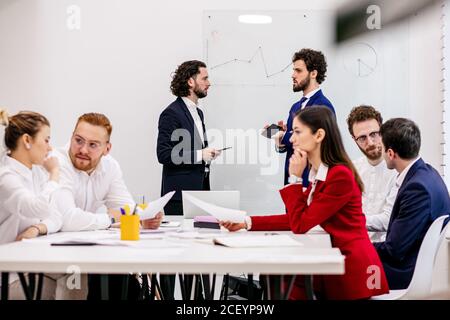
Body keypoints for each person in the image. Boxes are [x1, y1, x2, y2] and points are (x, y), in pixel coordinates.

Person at [222, 106, 389, 300]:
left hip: (352, 271)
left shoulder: (339, 176)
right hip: (335, 261)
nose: (291, 138)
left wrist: (294, 178)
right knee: (274, 276)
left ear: (318, 135)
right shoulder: (323, 172)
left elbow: (300, 224)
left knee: (284, 282)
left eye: (297, 132)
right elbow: (298, 218)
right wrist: (247, 222)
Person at [49, 113, 162, 299]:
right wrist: (110, 218)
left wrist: (145, 217)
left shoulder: (110, 167)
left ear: (107, 148)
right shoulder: (57, 162)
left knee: (128, 283)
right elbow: (68, 220)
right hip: (53, 252)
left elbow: (127, 208)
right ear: (71, 137)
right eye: (78, 140)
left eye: (93, 145)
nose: (83, 149)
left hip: (89, 252)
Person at [373, 118, 450, 290]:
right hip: (411, 264)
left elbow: (394, 250)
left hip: (405, 274)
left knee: (341, 272)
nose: (382, 152)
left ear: (391, 153)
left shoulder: (417, 189)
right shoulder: (428, 173)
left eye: (383, 148)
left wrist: (360, 246)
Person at [0, 108, 62, 299]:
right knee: (62, 281)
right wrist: (54, 173)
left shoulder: (34, 173)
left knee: (76, 274)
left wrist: (37, 227)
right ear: (27, 140)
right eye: (46, 140)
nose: (49, 148)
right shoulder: (5, 177)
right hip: (8, 272)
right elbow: (38, 207)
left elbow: (56, 216)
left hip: (29, 261)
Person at [157, 60, 221, 215]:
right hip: (179, 196)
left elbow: (193, 149)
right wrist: (200, 155)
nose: (209, 83)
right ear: (190, 82)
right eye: (204, 78)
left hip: (200, 192)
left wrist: (207, 154)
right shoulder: (171, 113)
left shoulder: (198, 113)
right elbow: (164, 154)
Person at [270, 49, 335, 186]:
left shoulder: (323, 107)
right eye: (293, 70)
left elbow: (317, 144)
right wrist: (280, 139)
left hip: (310, 181)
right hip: (292, 179)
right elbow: (292, 145)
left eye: (298, 71)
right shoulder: (295, 107)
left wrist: (285, 136)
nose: (293, 75)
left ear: (313, 73)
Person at [346, 106, 397, 234]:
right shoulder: (351, 170)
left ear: (382, 131)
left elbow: (388, 221)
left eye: (374, 134)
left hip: (385, 248)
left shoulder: (398, 169)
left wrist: (350, 221)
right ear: (354, 139)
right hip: (354, 242)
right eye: (362, 138)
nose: (370, 142)